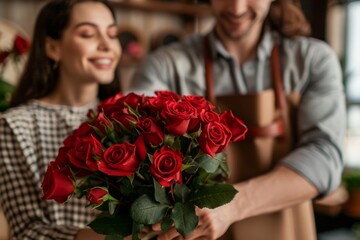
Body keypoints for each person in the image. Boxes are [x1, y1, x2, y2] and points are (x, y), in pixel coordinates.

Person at [128, 0, 346, 239]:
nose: (237, 8)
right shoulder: (165, 66)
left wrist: (233, 206)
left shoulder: (312, 60)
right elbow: (133, 139)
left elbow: (325, 157)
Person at [0, 0, 122, 239]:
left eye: (113, 34)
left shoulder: (128, 119)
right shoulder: (14, 126)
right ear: (53, 48)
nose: (107, 45)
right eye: (88, 34)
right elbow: (27, 230)